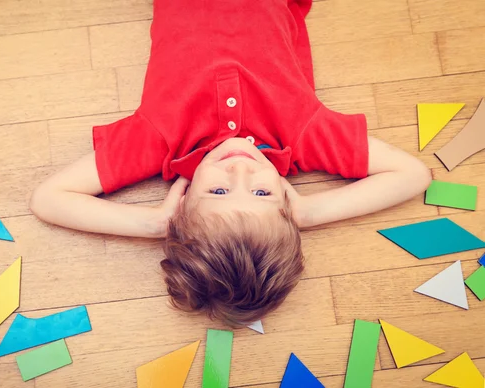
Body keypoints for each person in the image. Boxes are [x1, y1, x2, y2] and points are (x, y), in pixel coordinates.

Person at [30, 0, 432, 326]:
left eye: (217, 191)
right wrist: (309, 212)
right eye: (262, 192)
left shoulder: (159, 142)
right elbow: (413, 175)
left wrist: (155, 223)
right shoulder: (302, 136)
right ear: (285, 201)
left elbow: (49, 198)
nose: (241, 168)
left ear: (184, 202)